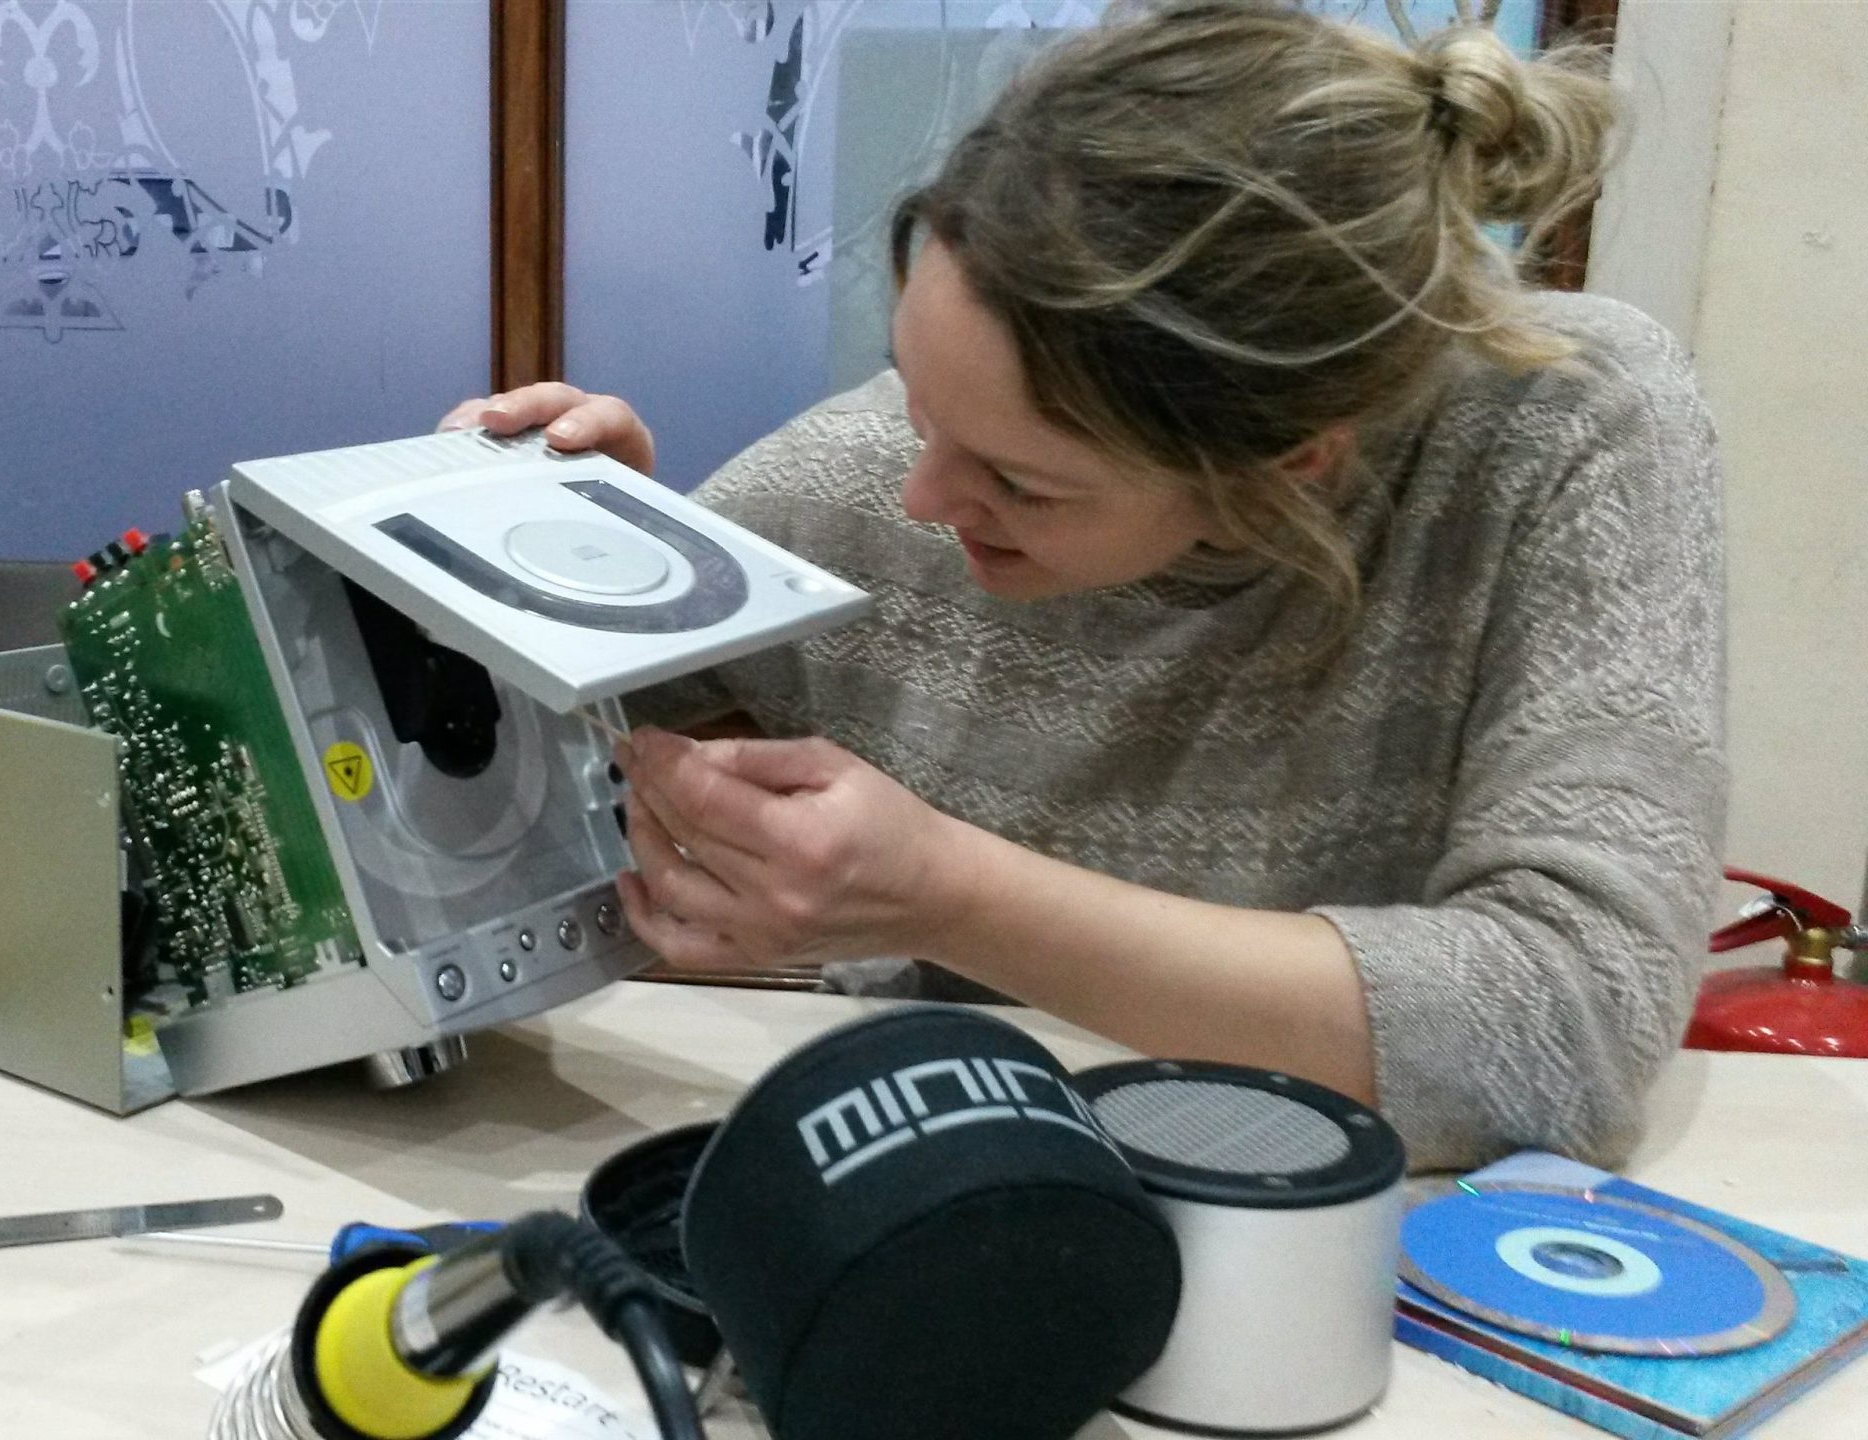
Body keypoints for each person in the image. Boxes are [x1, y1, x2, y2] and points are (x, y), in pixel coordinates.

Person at [442, 0, 1723, 1171]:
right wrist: (573, 586)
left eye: (1020, 478)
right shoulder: (858, 483)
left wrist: (947, 895)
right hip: (961, 1195)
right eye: (914, 394)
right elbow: (492, 840)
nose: (921, 498)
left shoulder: (1561, 427)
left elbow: (1570, 1033)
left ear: (1288, 462)